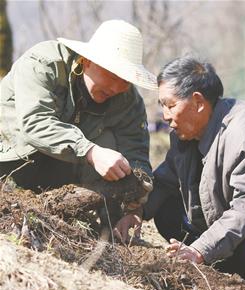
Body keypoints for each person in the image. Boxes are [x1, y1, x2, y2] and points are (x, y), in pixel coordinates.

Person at [116, 56, 245, 290]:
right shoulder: (185, 132)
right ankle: (233, 265)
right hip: (243, 223)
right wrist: (138, 211)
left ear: (198, 102)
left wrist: (200, 249)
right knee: (167, 212)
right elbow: (167, 179)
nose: (165, 115)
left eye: (170, 105)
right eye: (161, 106)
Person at [0, 19, 156, 206]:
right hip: (11, 160)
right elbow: (35, 122)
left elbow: (135, 149)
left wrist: (134, 206)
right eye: (113, 75)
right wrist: (90, 151)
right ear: (87, 60)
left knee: (110, 143)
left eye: (125, 80)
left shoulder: (128, 99)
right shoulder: (44, 64)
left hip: (64, 178)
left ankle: (99, 218)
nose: (116, 87)